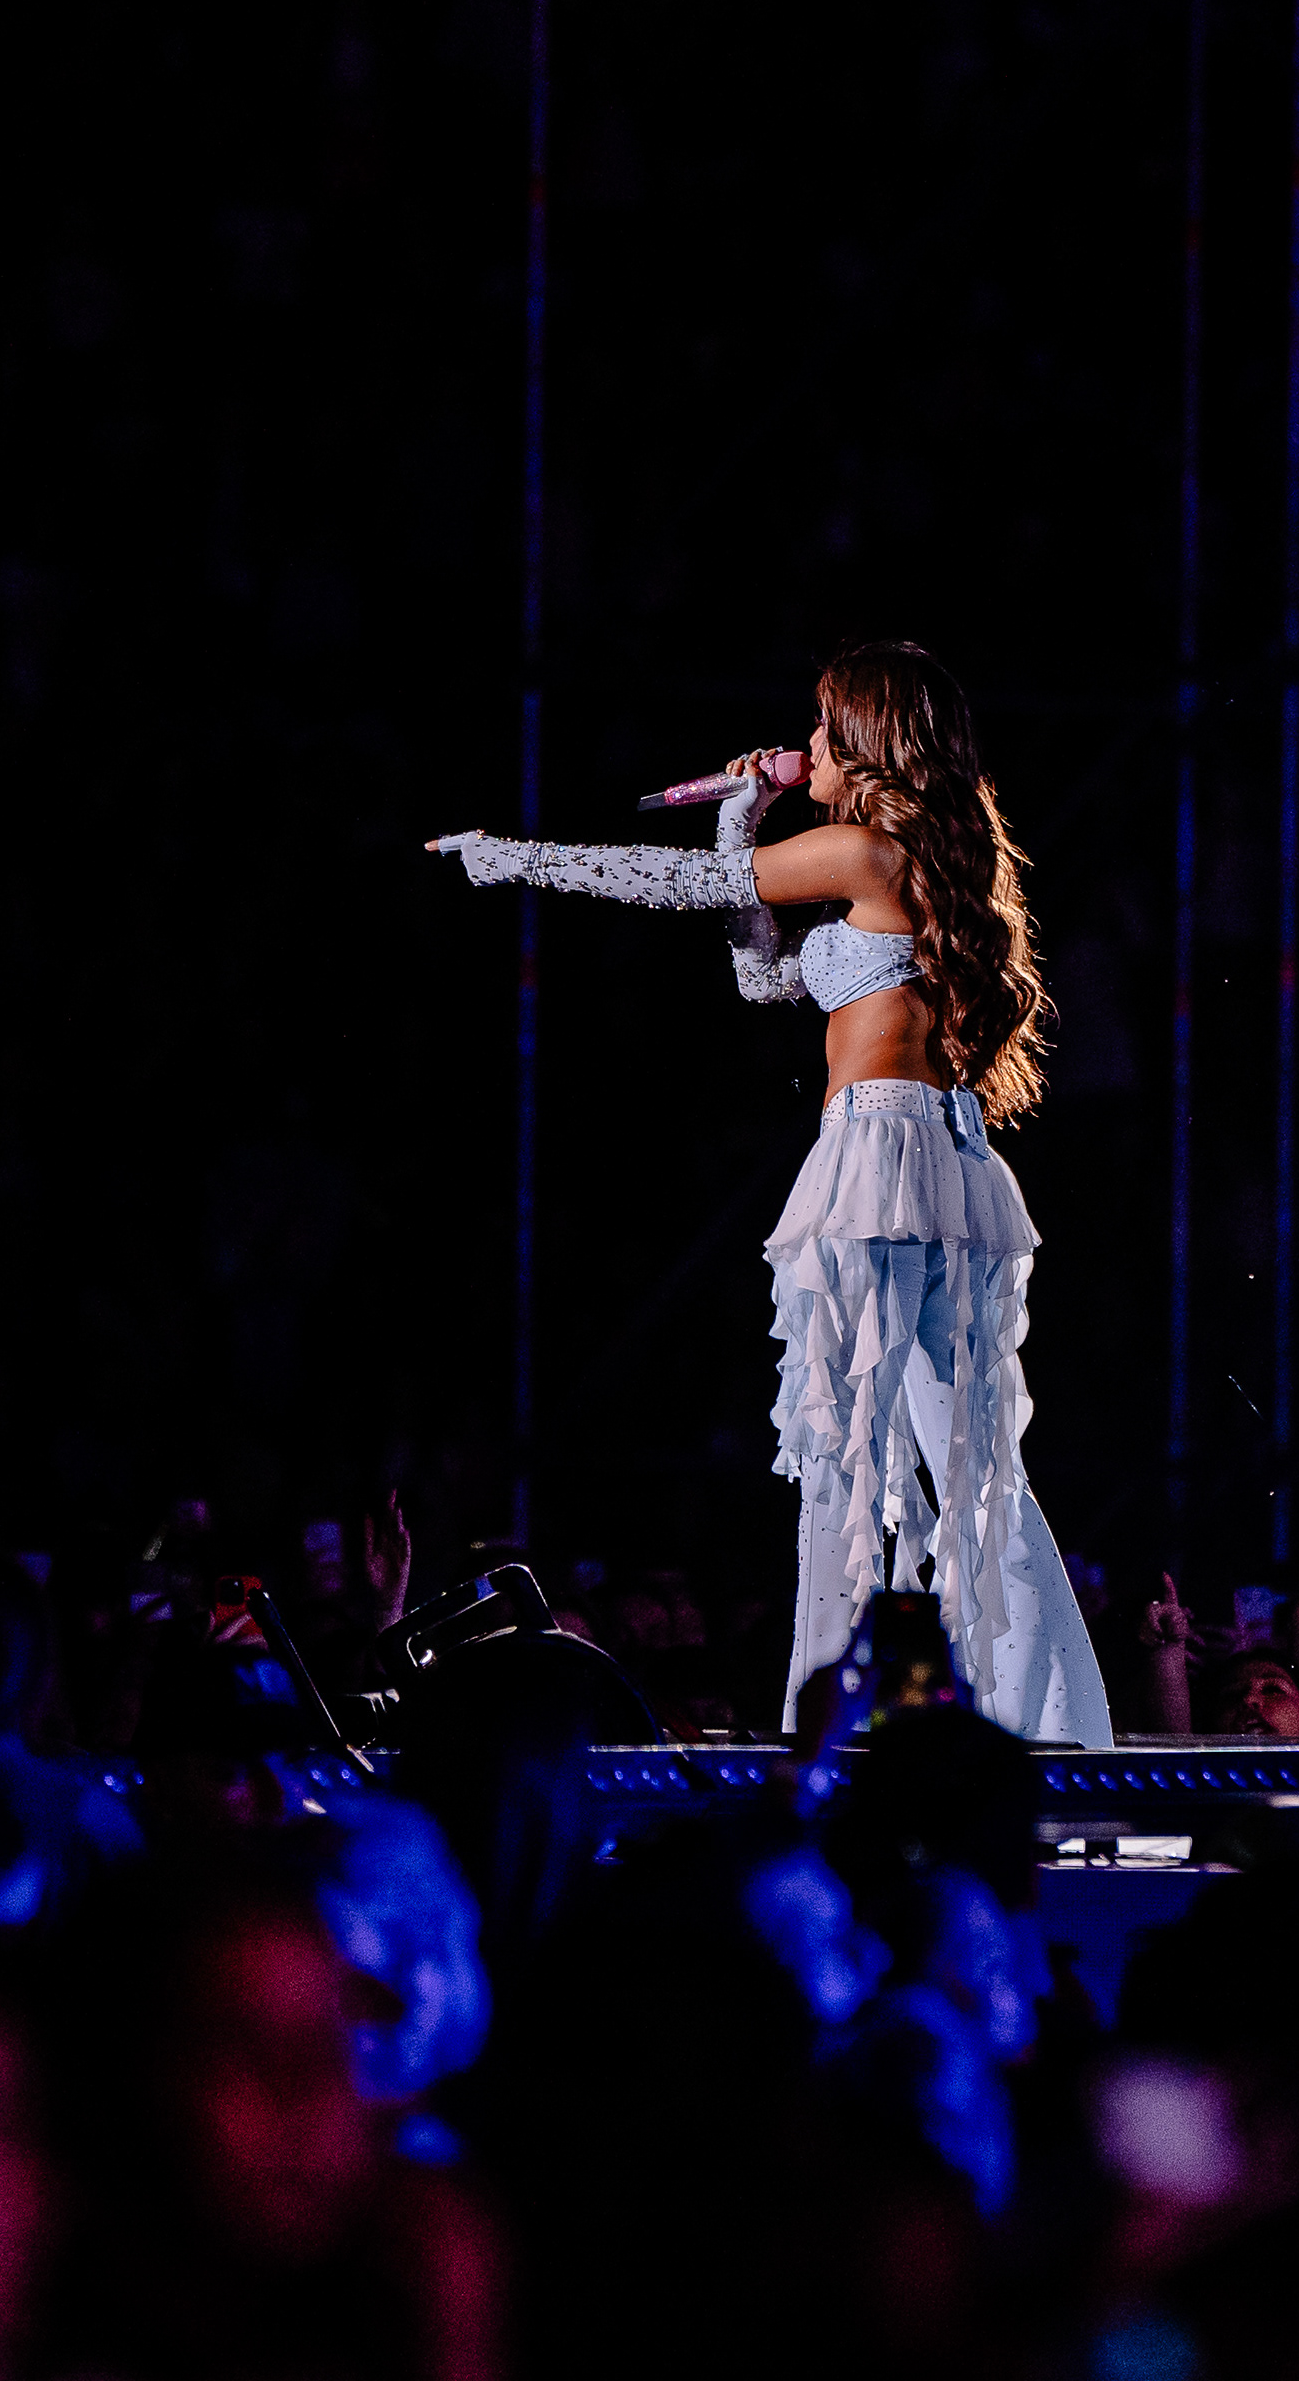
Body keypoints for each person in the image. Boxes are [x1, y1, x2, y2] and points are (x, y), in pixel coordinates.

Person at [428, 642, 1111, 1746]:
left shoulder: (865, 849)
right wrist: (740, 816)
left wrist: (511, 859)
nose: (807, 746)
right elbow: (759, 975)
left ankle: (890, 1730)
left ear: (870, 742)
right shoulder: (912, 861)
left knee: (879, 1464)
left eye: (825, 726)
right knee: (961, 1472)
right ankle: (1025, 1724)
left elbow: (679, 886)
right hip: (937, 1160)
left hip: (883, 1159)